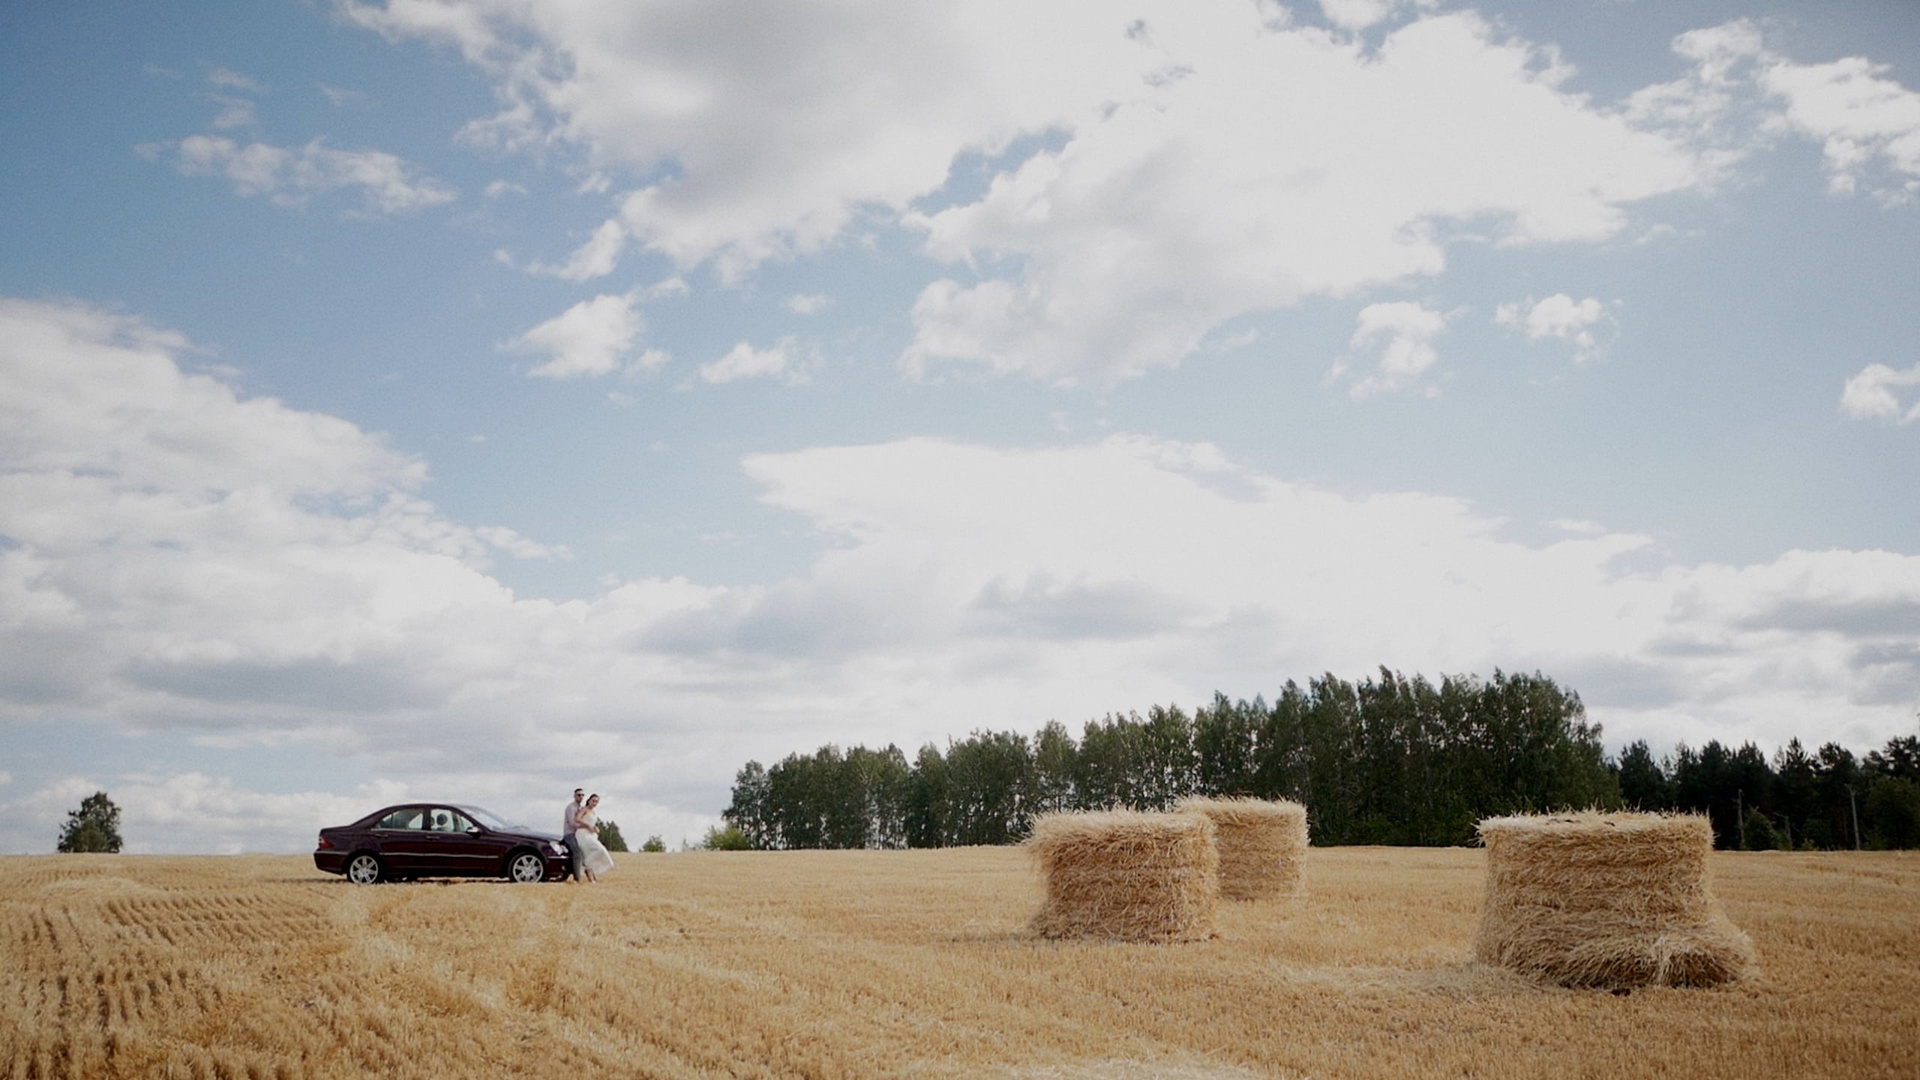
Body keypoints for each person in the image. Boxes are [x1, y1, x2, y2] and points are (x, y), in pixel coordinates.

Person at [574, 794, 616, 883]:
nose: (594, 803)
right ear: (589, 800)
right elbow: (577, 819)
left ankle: (592, 878)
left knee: (590, 854)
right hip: (582, 834)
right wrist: (588, 826)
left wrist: (595, 828)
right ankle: (586, 864)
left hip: (591, 834)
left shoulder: (593, 812)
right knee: (600, 849)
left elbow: (592, 823)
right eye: (593, 801)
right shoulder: (584, 809)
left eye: (596, 802)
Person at [562, 788, 586, 882]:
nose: (581, 797)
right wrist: (585, 826)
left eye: (582, 795)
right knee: (576, 853)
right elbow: (572, 823)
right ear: (574, 796)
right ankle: (577, 878)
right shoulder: (571, 807)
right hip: (570, 834)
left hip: (579, 834)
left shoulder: (581, 808)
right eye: (579, 795)